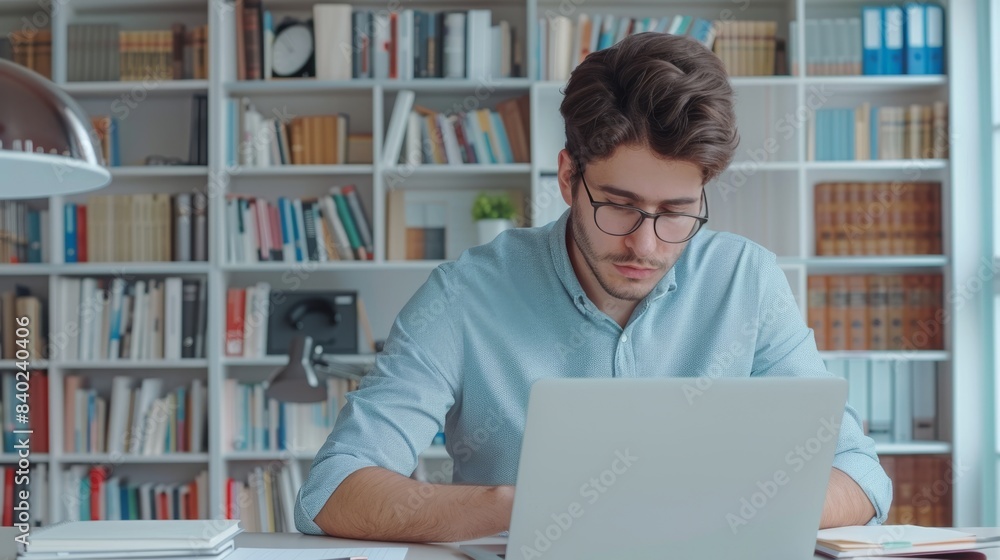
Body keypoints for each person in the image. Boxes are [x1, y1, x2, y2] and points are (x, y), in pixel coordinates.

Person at [294, 32, 891, 541]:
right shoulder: (465, 294)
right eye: (619, 206)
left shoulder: (747, 282)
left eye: (677, 211)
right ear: (567, 176)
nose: (646, 245)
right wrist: (517, 509)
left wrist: (728, 516)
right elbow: (331, 489)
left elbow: (859, 474)